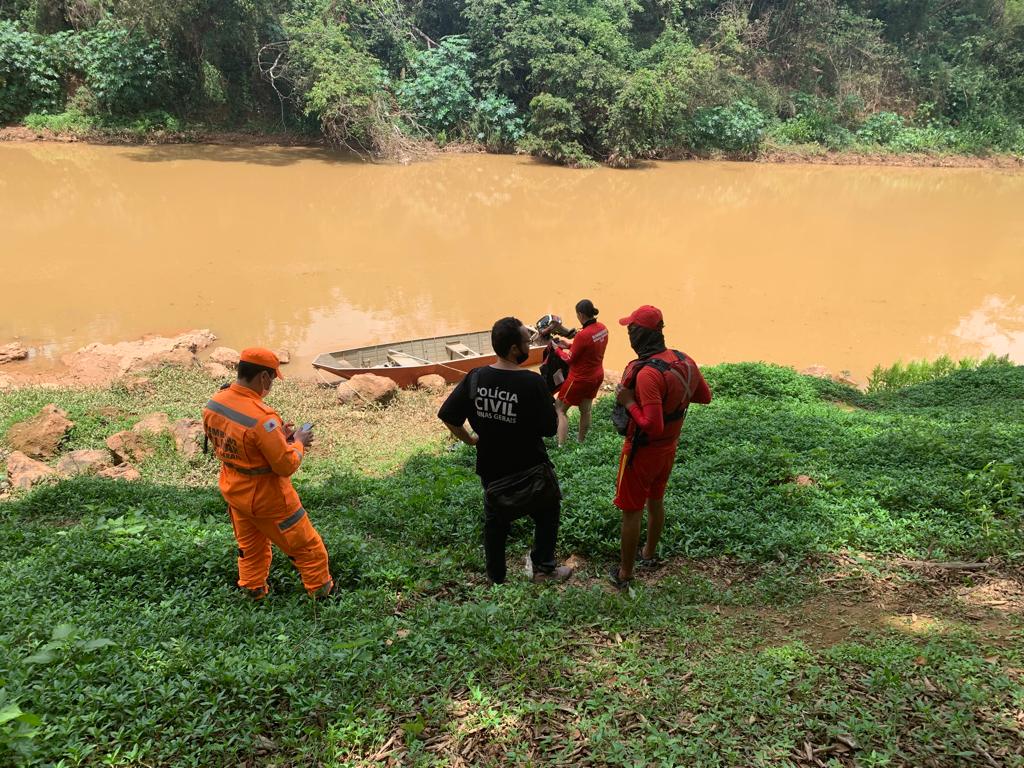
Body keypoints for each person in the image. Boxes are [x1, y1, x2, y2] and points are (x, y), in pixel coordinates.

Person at [438, 317, 573, 584]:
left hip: (492, 467)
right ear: (514, 349)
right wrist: (555, 409)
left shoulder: (475, 377)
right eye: (526, 341)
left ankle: (496, 577)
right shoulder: (531, 382)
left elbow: (449, 416)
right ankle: (544, 569)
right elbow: (548, 429)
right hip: (531, 465)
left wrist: (471, 440)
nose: (530, 344)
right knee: (547, 512)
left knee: (496, 522)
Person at [202, 347, 334, 599]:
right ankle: (322, 594)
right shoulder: (263, 418)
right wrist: (298, 442)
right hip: (270, 499)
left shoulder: (215, 403)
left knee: (250, 548)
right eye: (272, 379)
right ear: (263, 377)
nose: (271, 385)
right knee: (308, 547)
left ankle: (253, 590)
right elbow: (285, 465)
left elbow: (234, 443)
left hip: (235, 492)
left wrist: (277, 438)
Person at [610, 306, 712, 589]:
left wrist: (630, 401)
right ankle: (649, 553)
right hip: (668, 449)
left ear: (637, 335)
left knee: (631, 510)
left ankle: (625, 574)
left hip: (641, 452)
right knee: (655, 500)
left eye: (630, 329)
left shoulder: (647, 375)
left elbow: (651, 425)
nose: (629, 334)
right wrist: (674, 398)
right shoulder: (683, 360)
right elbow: (705, 396)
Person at [553, 299, 609, 446]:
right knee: (586, 410)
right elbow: (589, 347)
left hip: (579, 379)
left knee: (560, 409)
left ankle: (561, 446)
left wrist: (557, 349)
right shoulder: (603, 328)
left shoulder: (582, 335)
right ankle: (581, 442)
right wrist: (569, 345)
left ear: (580, 314)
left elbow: (568, 360)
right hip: (597, 376)